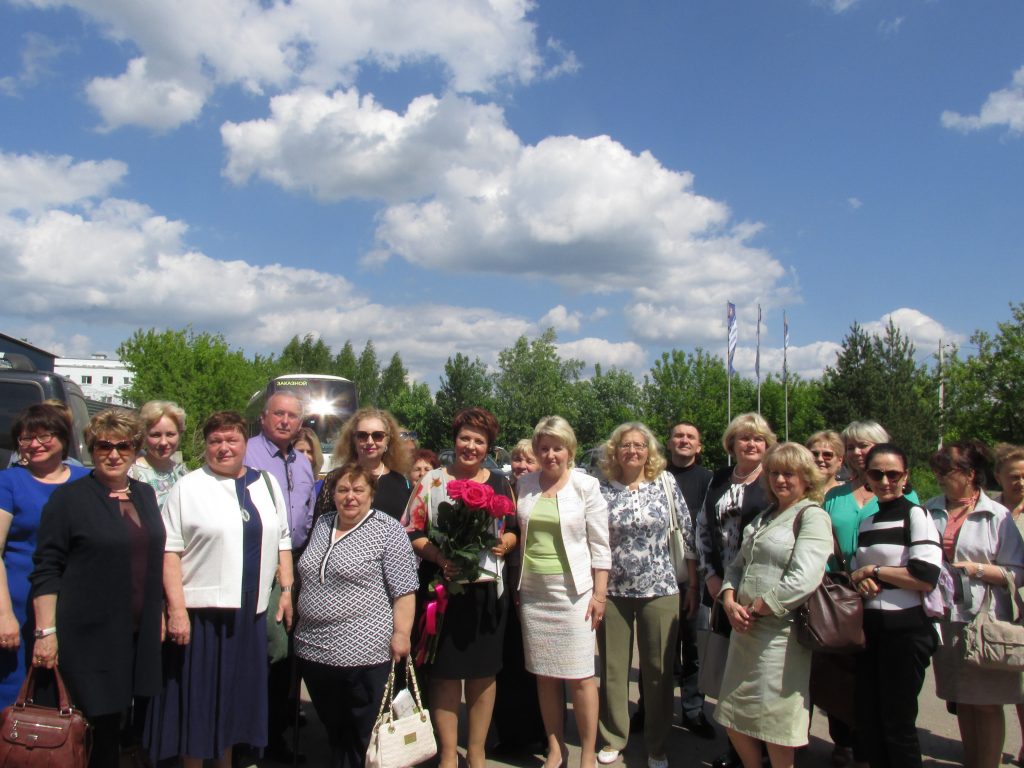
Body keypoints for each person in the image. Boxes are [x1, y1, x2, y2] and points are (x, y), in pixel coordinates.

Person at [147, 411, 294, 768]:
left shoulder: (268, 484)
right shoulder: (190, 487)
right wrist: (176, 610)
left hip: (251, 612)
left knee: (234, 703)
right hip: (203, 615)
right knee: (199, 703)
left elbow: (283, 540)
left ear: (246, 444)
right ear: (205, 446)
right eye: (215, 441)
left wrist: (286, 589)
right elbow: (171, 551)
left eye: (232, 440)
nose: (223, 448)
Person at [30, 410, 165, 767]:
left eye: (124, 446)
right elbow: (46, 569)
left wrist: (164, 612)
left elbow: (153, 558)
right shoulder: (69, 499)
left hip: (139, 635)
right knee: (96, 730)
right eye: (104, 445)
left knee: (131, 726)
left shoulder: (145, 494)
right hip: (89, 637)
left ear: (136, 450)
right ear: (92, 449)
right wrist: (46, 632)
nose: (114, 454)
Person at [402, 407, 518, 768]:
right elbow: (412, 530)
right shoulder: (432, 481)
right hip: (444, 591)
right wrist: (438, 557)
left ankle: (478, 751)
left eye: (479, 441)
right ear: (455, 440)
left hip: (486, 592)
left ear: (489, 447)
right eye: (465, 438)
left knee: (484, 675)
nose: (470, 446)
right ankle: (449, 753)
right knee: (446, 675)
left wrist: (508, 543)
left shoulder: (500, 483)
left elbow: (513, 526)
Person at [714, 442, 832, 768]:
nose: (781, 480)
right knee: (734, 715)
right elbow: (737, 565)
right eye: (775, 473)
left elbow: (805, 577)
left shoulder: (812, 516)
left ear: (806, 477)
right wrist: (728, 599)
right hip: (744, 630)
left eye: (789, 473)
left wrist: (760, 607)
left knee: (776, 724)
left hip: (780, 635)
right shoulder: (766, 515)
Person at [294, 463, 419, 768]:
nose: (350, 497)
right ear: (332, 494)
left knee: (365, 732)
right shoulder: (323, 523)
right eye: (343, 490)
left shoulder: (387, 530)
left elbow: (404, 590)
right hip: (313, 649)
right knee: (334, 728)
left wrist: (402, 635)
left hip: (364, 653)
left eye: (358, 489)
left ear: (371, 494)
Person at [596, 421, 697, 768]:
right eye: (626, 445)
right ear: (615, 450)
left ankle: (657, 745)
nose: (633, 451)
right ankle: (613, 737)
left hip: (660, 587)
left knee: (658, 670)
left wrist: (693, 585)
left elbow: (687, 529)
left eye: (639, 445)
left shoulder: (665, 483)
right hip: (612, 590)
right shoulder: (602, 488)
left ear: (649, 451)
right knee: (612, 668)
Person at [516, 416, 610, 768]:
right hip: (534, 592)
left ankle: (587, 752)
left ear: (569, 450)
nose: (550, 454)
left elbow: (601, 546)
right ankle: (556, 748)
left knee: (582, 676)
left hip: (574, 594)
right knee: (545, 676)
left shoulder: (586, 486)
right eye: (544, 448)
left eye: (557, 447)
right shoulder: (525, 483)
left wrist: (599, 595)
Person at [822, 421, 916, 767]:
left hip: (891, 599)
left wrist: (876, 573)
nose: (857, 452)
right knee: (842, 677)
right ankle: (845, 742)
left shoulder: (904, 497)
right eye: (852, 446)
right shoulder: (835, 495)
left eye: (864, 445)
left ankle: (880, 748)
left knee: (888, 688)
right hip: (841, 594)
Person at [926, 440, 1024, 768]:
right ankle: (973, 761)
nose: (939, 476)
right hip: (945, 615)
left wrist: (977, 569)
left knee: (987, 701)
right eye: (937, 469)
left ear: (969, 474)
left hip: (984, 618)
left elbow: (1016, 571)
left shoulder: (997, 516)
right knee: (963, 700)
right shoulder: (929, 509)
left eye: (946, 470)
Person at [848, 443, 942, 768]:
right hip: (870, 632)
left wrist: (873, 571)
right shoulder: (867, 521)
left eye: (893, 474)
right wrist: (860, 579)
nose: (885, 480)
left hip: (907, 631)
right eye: (877, 474)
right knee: (869, 719)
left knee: (898, 722)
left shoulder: (916, 514)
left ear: (906, 476)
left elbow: (926, 575)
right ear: (866, 477)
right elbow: (856, 570)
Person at [695, 413, 775, 768]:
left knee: (758, 674)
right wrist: (711, 576)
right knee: (730, 673)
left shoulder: (774, 480)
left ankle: (767, 751)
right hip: (722, 590)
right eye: (744, 438)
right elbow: (702, 528)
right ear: (732, 443)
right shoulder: (721, 478)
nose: (751, 444)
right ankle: (738, 748)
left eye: (758, 439)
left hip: (759, 590)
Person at [0, 404, 89, 707]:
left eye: (43, 436)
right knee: (14, 694)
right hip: (20, 605)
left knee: (69, 694)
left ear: (63, 438)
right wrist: (4, 615)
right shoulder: (9, 482)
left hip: (76, 605)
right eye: (26, 439)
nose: (34, 444)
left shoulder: (87, 479)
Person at [245, 391, 315, 762]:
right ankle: (251, 739)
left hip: (297, 561)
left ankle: (276, 735)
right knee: (266, 651)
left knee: (289, 655)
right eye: (278, 414)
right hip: (260, 562)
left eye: (292, 416)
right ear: (264, 417)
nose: (285, 421)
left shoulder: (303, 462)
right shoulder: (246, 454)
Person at [662, 421, 714, 739]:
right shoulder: (656, 476)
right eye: (678, 436)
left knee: (695, 646)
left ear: (699, 446)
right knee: (660, 647)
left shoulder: (710, 480)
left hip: (699, 575)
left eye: (690, 437)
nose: (683, 440)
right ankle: (651, 709)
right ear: (669, 443)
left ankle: (693, 711)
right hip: (661, 573)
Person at [321, 408, 411, 521]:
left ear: (388, 440)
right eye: (362, 435)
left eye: (377, 435)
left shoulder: (400, 482)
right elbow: (321, 526)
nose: (369, 442)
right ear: (353, 441)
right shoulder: (335, 479)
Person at [994, 444, 1024, 767]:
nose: (1020, 483)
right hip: (999, 606)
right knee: (1009, 680)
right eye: (1014, 476)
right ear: (998, 476)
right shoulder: (992, 509)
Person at [128, 400, 188, 508]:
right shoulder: (131, 474)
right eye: (156, 435)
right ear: (144, 435)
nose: (163, 442)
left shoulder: (182, 473)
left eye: (170, 434)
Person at [805, 430, 844, 496]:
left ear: (840, 460)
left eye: (827, 455)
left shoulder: (845, 494)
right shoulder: (798, 492)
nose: (820, 459)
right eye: (814, 454)